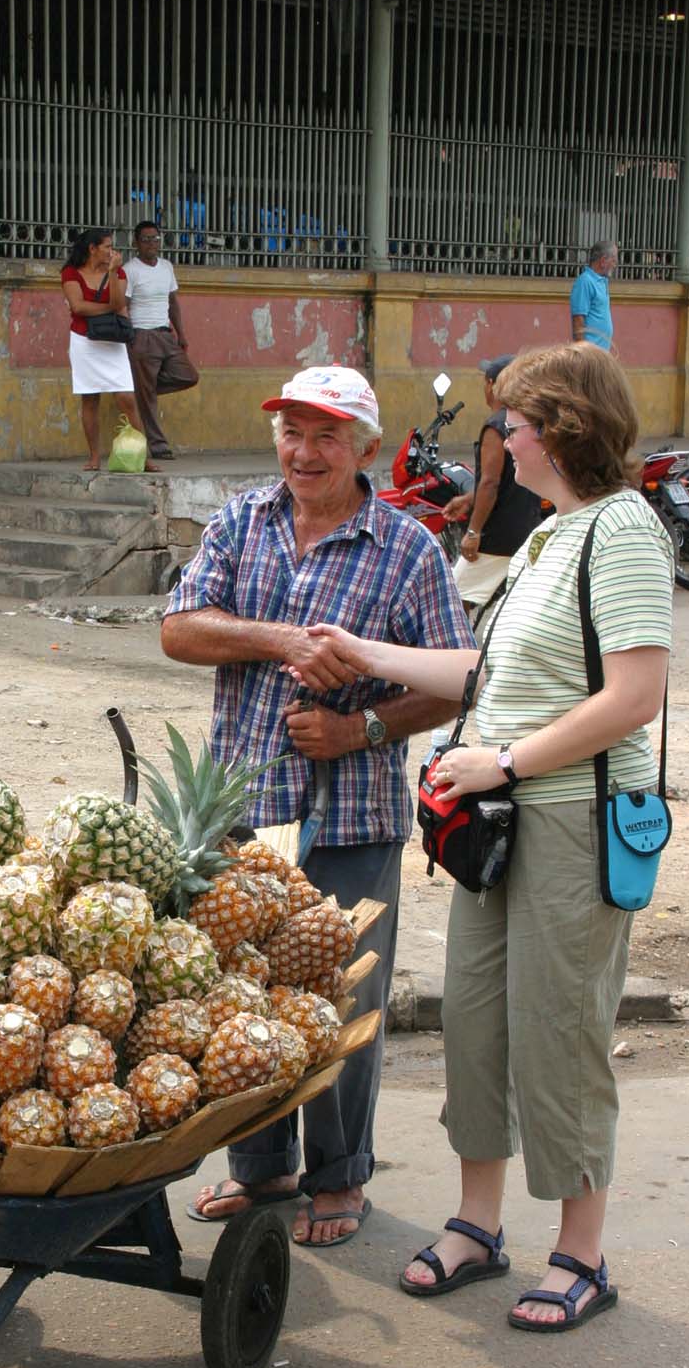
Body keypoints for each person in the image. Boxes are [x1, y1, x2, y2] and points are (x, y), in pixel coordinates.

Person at [290, 344, 672, 1323]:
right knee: (474, 1018)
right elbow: (485, 674)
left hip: (571, 822)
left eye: (515, 419)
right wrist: (361, 652)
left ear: (562, 428)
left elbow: (633, 698)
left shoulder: (620, 530)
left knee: (557, 1031)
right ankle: (475, 1224)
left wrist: (500, 762)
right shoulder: (549, 536)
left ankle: (579, 1255)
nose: (500, 435)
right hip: (499, 827)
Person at [161, 364, 475, 1246]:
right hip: (242, 810)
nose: (305, 452)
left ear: (367, 449)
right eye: (292, 433)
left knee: (342, 1001)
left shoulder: (408, 547)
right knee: (244, 996)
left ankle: (340, 1179)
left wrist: (363, 729)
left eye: (326, 436)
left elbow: (456, 681)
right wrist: (282, 640)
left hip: (350, 814)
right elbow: (180, 628)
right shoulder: (240, 522)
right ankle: (263, 1172)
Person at [443, 353, 543, 623]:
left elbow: (491, 481)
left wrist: (473, 532)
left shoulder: (496, 426)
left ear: (491, 385)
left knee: (452, 601)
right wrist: (469, 498)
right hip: (526, 525)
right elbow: (511, 477)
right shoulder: (527, 420)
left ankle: (453, 658)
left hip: (497, 535)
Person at [60, 228, 143, 471]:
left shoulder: (118, 271)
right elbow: (78, 307)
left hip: (113, 341)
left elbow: (119, 303)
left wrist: (113, 273)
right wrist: (109, 308)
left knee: (127, 398)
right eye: (107, 246)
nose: (112, 251)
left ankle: (142, 455)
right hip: (84, 341)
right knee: (90, 397)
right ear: (92, 248)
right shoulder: (71, 272)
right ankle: (94, 456)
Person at [123, 220, 199, 459]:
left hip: (166, 334)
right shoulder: (129, 270)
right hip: (141, 335)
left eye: (156, 239)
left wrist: (181, 334)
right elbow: (123, 306)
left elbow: (173, 302)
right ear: (136, 243)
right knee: (147, 397)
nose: (152, 244)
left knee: (188, 376)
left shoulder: (166, 267)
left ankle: (144, 391)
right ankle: (158, 447)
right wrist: (129, 338)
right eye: (146, 239)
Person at [570, 239, 617, 350]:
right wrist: (583, 353)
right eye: (613, 260)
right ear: (603, 261)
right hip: (590, 354)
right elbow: (578, 320)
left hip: (601, 353)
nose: (615, 265)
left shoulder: (602, 281)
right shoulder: (585, 281)